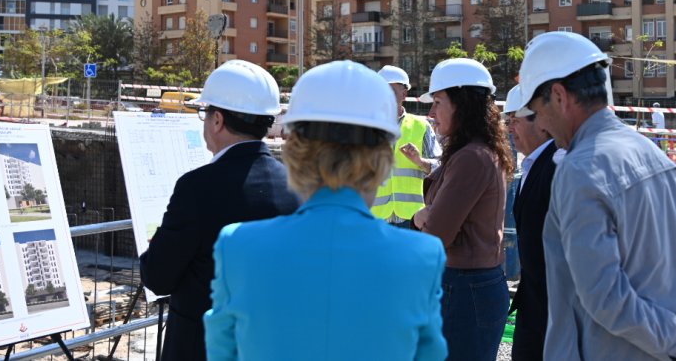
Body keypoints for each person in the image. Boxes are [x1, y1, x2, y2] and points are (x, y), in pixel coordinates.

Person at [517, 32, 676, 361]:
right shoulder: (650, 151)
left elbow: (606, 299)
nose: (540, 124)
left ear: (559, 96)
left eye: (536, 110)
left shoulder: (579, 170)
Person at [204, 60, 447, 361]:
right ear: (384, 159)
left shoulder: (237, 245)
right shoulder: (422, 257)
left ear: (294, 153)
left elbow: (222, 352)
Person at [140, 60, 301, 361]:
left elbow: (158, 277)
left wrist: (154, 252)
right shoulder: (295, 187)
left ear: (217, 120)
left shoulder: (196, 188)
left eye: (204, 113)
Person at [412, 58, 515, 361]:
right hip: (472, 285)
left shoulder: (471, 157)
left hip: (466, 288)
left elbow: (436, 235)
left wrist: (419, 220)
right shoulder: (476, 151)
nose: (431, 113)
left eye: (438, 101)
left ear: (462, 103)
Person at [503, 85, 557, 361]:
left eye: (515, 120)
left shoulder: (558, 164)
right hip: (535, 306)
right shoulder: (534, 163)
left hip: (551, 314)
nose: (510, 129)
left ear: (542, 121)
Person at [371, 64, 439, 227]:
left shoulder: (421, 126)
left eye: (391, 92)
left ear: (404, 94)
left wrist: (420, 161)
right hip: (376, 218)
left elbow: (441, 168)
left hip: (413, 219)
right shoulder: (367, 128)